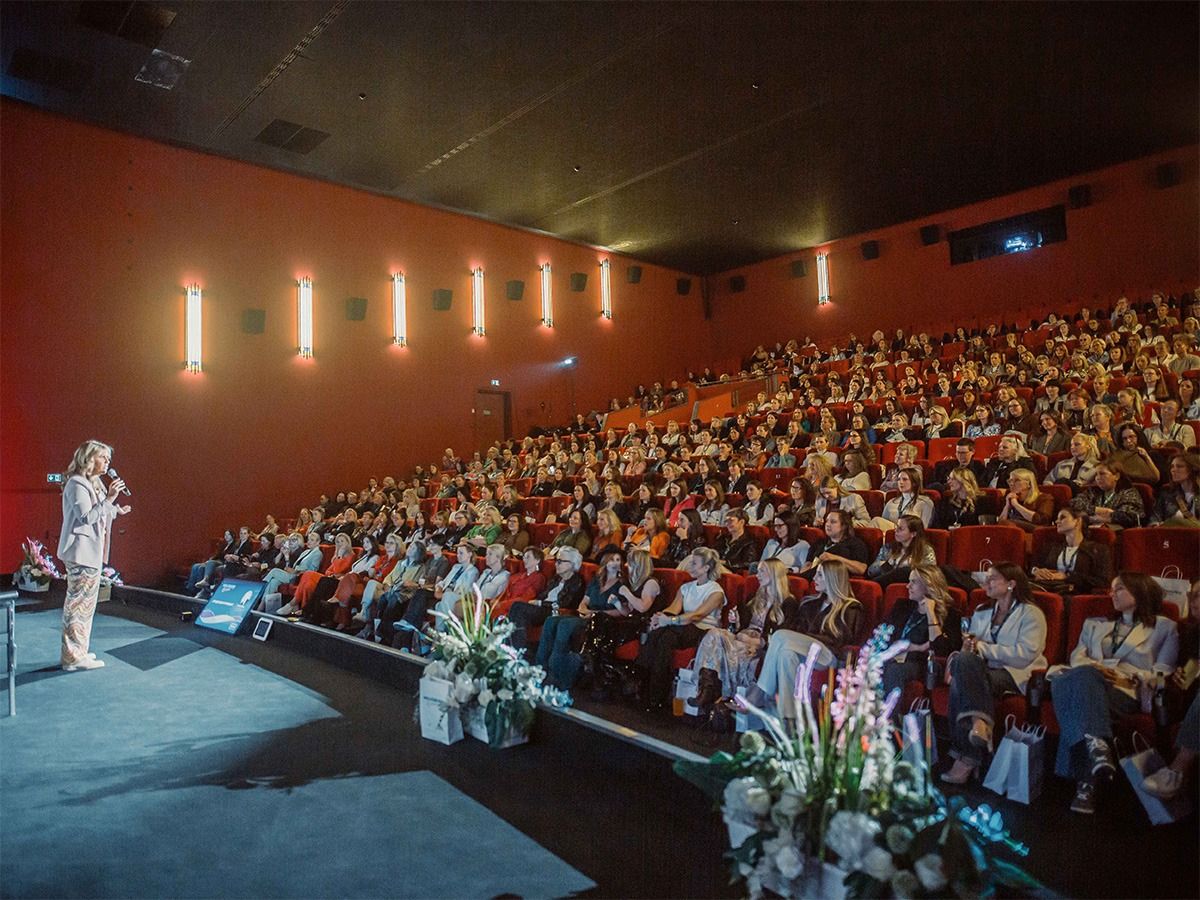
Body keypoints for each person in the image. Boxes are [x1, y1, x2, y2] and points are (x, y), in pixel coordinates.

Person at [1048, 572, 1178, 814]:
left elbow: (1163, 672)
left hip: (1125, 690)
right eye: (1111, 589)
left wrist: (1127, 677)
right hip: (1088, 681)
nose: (1111, 594)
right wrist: (1095, 667)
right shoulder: (1096, 624)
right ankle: (1093, 761)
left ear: (1138, 591)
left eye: (1119, 589)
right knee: (1078, 677)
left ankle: (1092, 762)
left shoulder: (1164, 628)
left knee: (1067, 686)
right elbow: (1077, 655)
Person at [941, 564, 1047, 784]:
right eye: (986, 578)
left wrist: (982, 648)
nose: (986, 583)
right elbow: (972, 645)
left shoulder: (1031, 614)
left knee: (961, 684)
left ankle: (966, 757)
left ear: (1011, 584)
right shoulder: (982, 611)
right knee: (963, 663)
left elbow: (1024, 655)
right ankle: (979, 726)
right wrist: (970, 647)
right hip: (983, 669)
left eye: (994, 579)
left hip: (1015, 672)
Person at [744, 559, 865, 723]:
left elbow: (840, 639)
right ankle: (790, 719)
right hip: (804, 652)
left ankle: (758, 694)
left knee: (780, 636)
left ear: (832, 578)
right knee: (786, 655)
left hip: (827, 656)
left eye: (820, 575)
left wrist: (804, 639)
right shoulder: (810, 603)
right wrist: (801, 640)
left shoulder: (850, 607)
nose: (814, 578)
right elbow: (797, 630)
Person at [688, 558, 795, 716]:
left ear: (774, 574)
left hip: (759, 646)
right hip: (741, 638)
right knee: (714, 633)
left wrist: (753, 641)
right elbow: (738, 629)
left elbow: (782, 637)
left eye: (762, 571)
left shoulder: (788, 603)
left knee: (725, 648)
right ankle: (707, 688)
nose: (757, 575)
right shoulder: (754, 597)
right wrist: (736, 621)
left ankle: (713, 693)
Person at [57, 440, 130, 671]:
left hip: (90, 553)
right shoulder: (77, 483)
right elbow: (86, 517)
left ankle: (79, 651)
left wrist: (115, 508)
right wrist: (109, 499)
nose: (108, 463)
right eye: (103, 457)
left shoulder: (92, 483)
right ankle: (72, 657)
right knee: (78, 604)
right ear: (89, 458)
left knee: (86, 605)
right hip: (81, 553)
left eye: (109, 459)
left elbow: (98, 513)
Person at [634, 548, 726, 711]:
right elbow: (674, 608)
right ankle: (642, 684)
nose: (690, 566)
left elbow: (697, 615)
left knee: (667, 637)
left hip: (703, 630)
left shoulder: (716, 591)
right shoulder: (686, 587)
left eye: (695, 563)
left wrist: (669, 620)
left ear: (706, 568)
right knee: (657, 634)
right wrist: (659, 617)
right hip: (682, 626)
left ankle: (654, 694)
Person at [536, 547, 624, 689]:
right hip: (586, 616)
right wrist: (583, 609)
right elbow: (584, 601)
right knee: (550, 621)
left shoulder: (622, 584)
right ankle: (540, 668)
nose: (614, 563)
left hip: (603, 621)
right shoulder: (597, 581)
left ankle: (556, 671)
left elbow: (622, 611)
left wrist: (594, 613)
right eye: (611, 560)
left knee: (565, 625)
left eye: (617, 560)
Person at [880, 564, 963, 705]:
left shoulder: (951, 615)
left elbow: (941, 650)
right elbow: (883, 635)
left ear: (929, 585)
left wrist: (931, 613)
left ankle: (888, 723)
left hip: (923, 664)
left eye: (913, 582)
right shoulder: (902, 606)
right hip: (895, 657)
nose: (908, 586)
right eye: (909, 581)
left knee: (894, 669)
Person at [507, 546, 586, 651]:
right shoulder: (556, 578)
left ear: (572, 564)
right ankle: (512, 646)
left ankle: (515, 649)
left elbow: (564, 603)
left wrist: (540, 603)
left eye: (560, 561)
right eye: (556, 561)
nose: (556, 564)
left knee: (518, 607)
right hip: (543, 608)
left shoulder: (577, 581)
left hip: (555, 611)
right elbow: (544, 594)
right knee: (516, 607)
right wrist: (537, 601)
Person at [1029, 505, 1113, 594]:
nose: (1057, 521)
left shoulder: (1098, 549)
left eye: (1063, 517)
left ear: (1078, 521)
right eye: (1057, 518)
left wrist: (1067, 577)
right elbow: (1032, 567)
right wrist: (1036, 571)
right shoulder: (1051, 547)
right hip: (1047, 589)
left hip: (1075, 594)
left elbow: (1103, 581)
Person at [1073, 462, 1146, 531]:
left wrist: (1103, 518)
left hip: (1120, 533)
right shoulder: (1093, 491)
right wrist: (1099, 510)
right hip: (1094, 529)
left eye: (1102, 474)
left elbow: (1130, 517)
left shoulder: (1129, 492)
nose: (1098, 478)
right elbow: (1075, 503)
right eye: (1096, 475)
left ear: (1116, 476)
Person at [799, 509, 870, 577]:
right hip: (812, 578)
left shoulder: (855, 544)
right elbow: (807, 564)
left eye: (833, 522)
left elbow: (861, 569)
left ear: (844, 526)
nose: (827, 524)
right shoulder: (820, 542)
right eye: (827, 521)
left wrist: (834, 558)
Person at [866, 515, 936, 584]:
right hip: (887, 585)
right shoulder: (889, 547)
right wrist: (885, 564)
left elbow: (929, 575)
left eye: (900, 529)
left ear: (913, 533)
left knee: (905, 571)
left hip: (912, 585)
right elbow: (870, 571)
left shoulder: (925, 550)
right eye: (896, 527)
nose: (896, 531)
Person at [492, 547, 547, 619]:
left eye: (528, 557)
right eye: (524, 557)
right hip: (504, 604)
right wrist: (496, 600)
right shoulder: (517, 576)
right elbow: (504, 592)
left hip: (516, 608)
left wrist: (503, 604)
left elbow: (527, 597)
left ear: (537, 560)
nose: (525, 560)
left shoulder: (539, 578)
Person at [997, 468, 1054, 532]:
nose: (1011, 484)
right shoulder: (1010, 496)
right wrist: (1007, 506)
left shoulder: (1044, 498)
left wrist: (1016, 505)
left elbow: (1041, 520)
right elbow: (1000, 522)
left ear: (1029, 484)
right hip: (1012, 530)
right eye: (1010, 481)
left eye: (1017, 480)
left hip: (1034, 531)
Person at [1150, 453, 1200, 526]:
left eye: (1179, 466)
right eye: (1172, 467)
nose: (1173, 470)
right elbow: (1154, 518)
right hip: (1172, 535)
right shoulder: (1166, 493)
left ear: (1192, 469)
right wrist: (1156, 524)